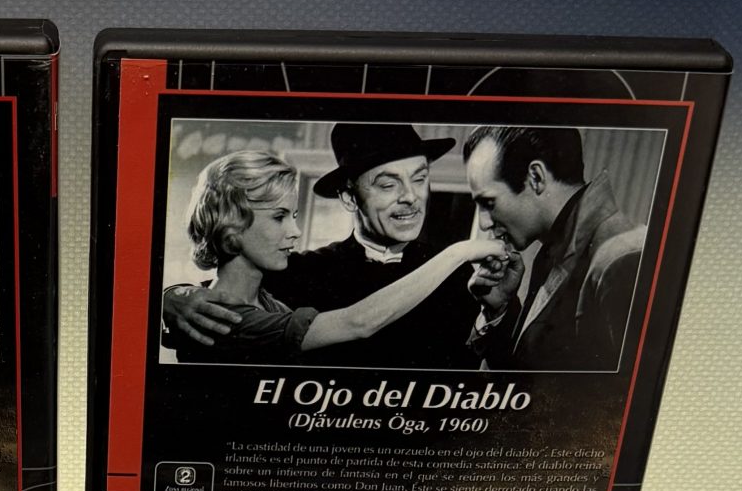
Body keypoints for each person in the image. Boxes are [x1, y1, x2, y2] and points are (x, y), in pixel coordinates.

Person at [164, 132, 504, 367]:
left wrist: (494, 314)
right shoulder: (293, 271)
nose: (411, 197)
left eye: (419, 179)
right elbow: (222, 294)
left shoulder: (460, 277)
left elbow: (476, 373)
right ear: (349, 197)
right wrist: (170, 298)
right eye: (388, 184)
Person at [462, 124, 646, 370]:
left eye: (488, 202)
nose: (484, 223)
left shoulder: (621, 259)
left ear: (536, 177)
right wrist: (500, 310)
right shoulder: (556, 250)